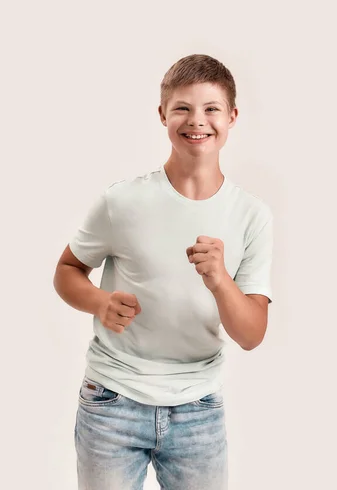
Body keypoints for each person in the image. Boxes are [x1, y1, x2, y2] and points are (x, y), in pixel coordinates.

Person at [53, 53, 274, 490]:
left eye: (211, 109)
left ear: (232, 117)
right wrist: (99, 300)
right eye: (183, 108)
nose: (198, 121)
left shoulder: (252, 215)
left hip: (199, 409)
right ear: (162, 115)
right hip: (112, 400)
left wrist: (220, 280)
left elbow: (251, 335)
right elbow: (67, 269)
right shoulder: (122, 202)